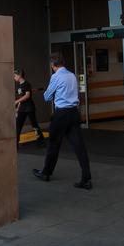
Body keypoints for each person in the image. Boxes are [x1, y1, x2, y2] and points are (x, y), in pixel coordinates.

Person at [33, 53, 92, 190]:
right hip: (74, 113)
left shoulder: (56, 76)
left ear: (53, 65)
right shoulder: (72, 75)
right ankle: (86, 178)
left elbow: (47, 97)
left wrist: (51, 93)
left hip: (61, 114)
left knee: (54, 145)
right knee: (79, 147)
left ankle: (46, 172)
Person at [13, 69, 45, 147]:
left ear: (19, 75)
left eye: (15, 76)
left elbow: (27, 96)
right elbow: (22, 96)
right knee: (18, 125)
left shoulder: (27, 84)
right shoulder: (19, 85)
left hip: (29, 108)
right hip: (22, 108)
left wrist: (16, 102)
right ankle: (15, 143)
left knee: (34, 125)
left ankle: (41, 141)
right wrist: (18, 107)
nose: (14, 77)